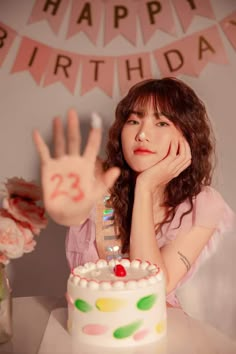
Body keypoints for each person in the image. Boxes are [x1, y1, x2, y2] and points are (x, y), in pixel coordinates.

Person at [33, 77, 235, 307]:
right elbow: (104, 249)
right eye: (133, 121)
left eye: (161, 123)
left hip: (159, 331)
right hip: (87, 326)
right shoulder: (99, 181)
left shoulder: (203, 205)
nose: (142, 134)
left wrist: (145, 187)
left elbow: (151, 286)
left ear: (187, 137)